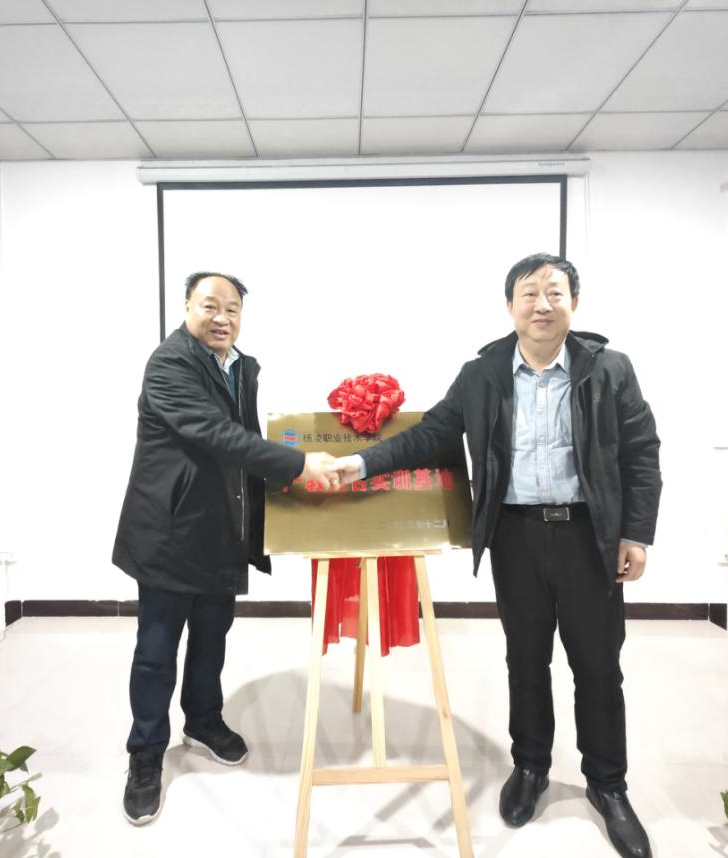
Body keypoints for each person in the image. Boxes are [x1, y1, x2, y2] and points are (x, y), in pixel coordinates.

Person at [334, 253, 661, 858]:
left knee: (597, 666)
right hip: (515, 536)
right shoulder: (482, 373)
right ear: (510, 305)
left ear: (574, 303)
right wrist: (360, 462)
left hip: (589, 537)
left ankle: (608, 783)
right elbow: (431, 434)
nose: (542, 304)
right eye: (529, 293)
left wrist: (636, 534)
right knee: (525, 659)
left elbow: (642, 450)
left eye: (555, 292)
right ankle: (531, 766)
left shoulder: (608, 368)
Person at [113, 271, 338, 826]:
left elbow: (246, 440)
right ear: (187, 307)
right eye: (210, 305)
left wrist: (284, 487)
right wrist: (297, 465)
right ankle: (146, 753)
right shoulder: (169, 365)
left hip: (221, 528)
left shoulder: (241, 367)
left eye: (232, 309)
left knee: (212, 637)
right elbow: (217, 435)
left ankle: (203, 719)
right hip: (169, 531)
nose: (222, 318)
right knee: (156, 650)